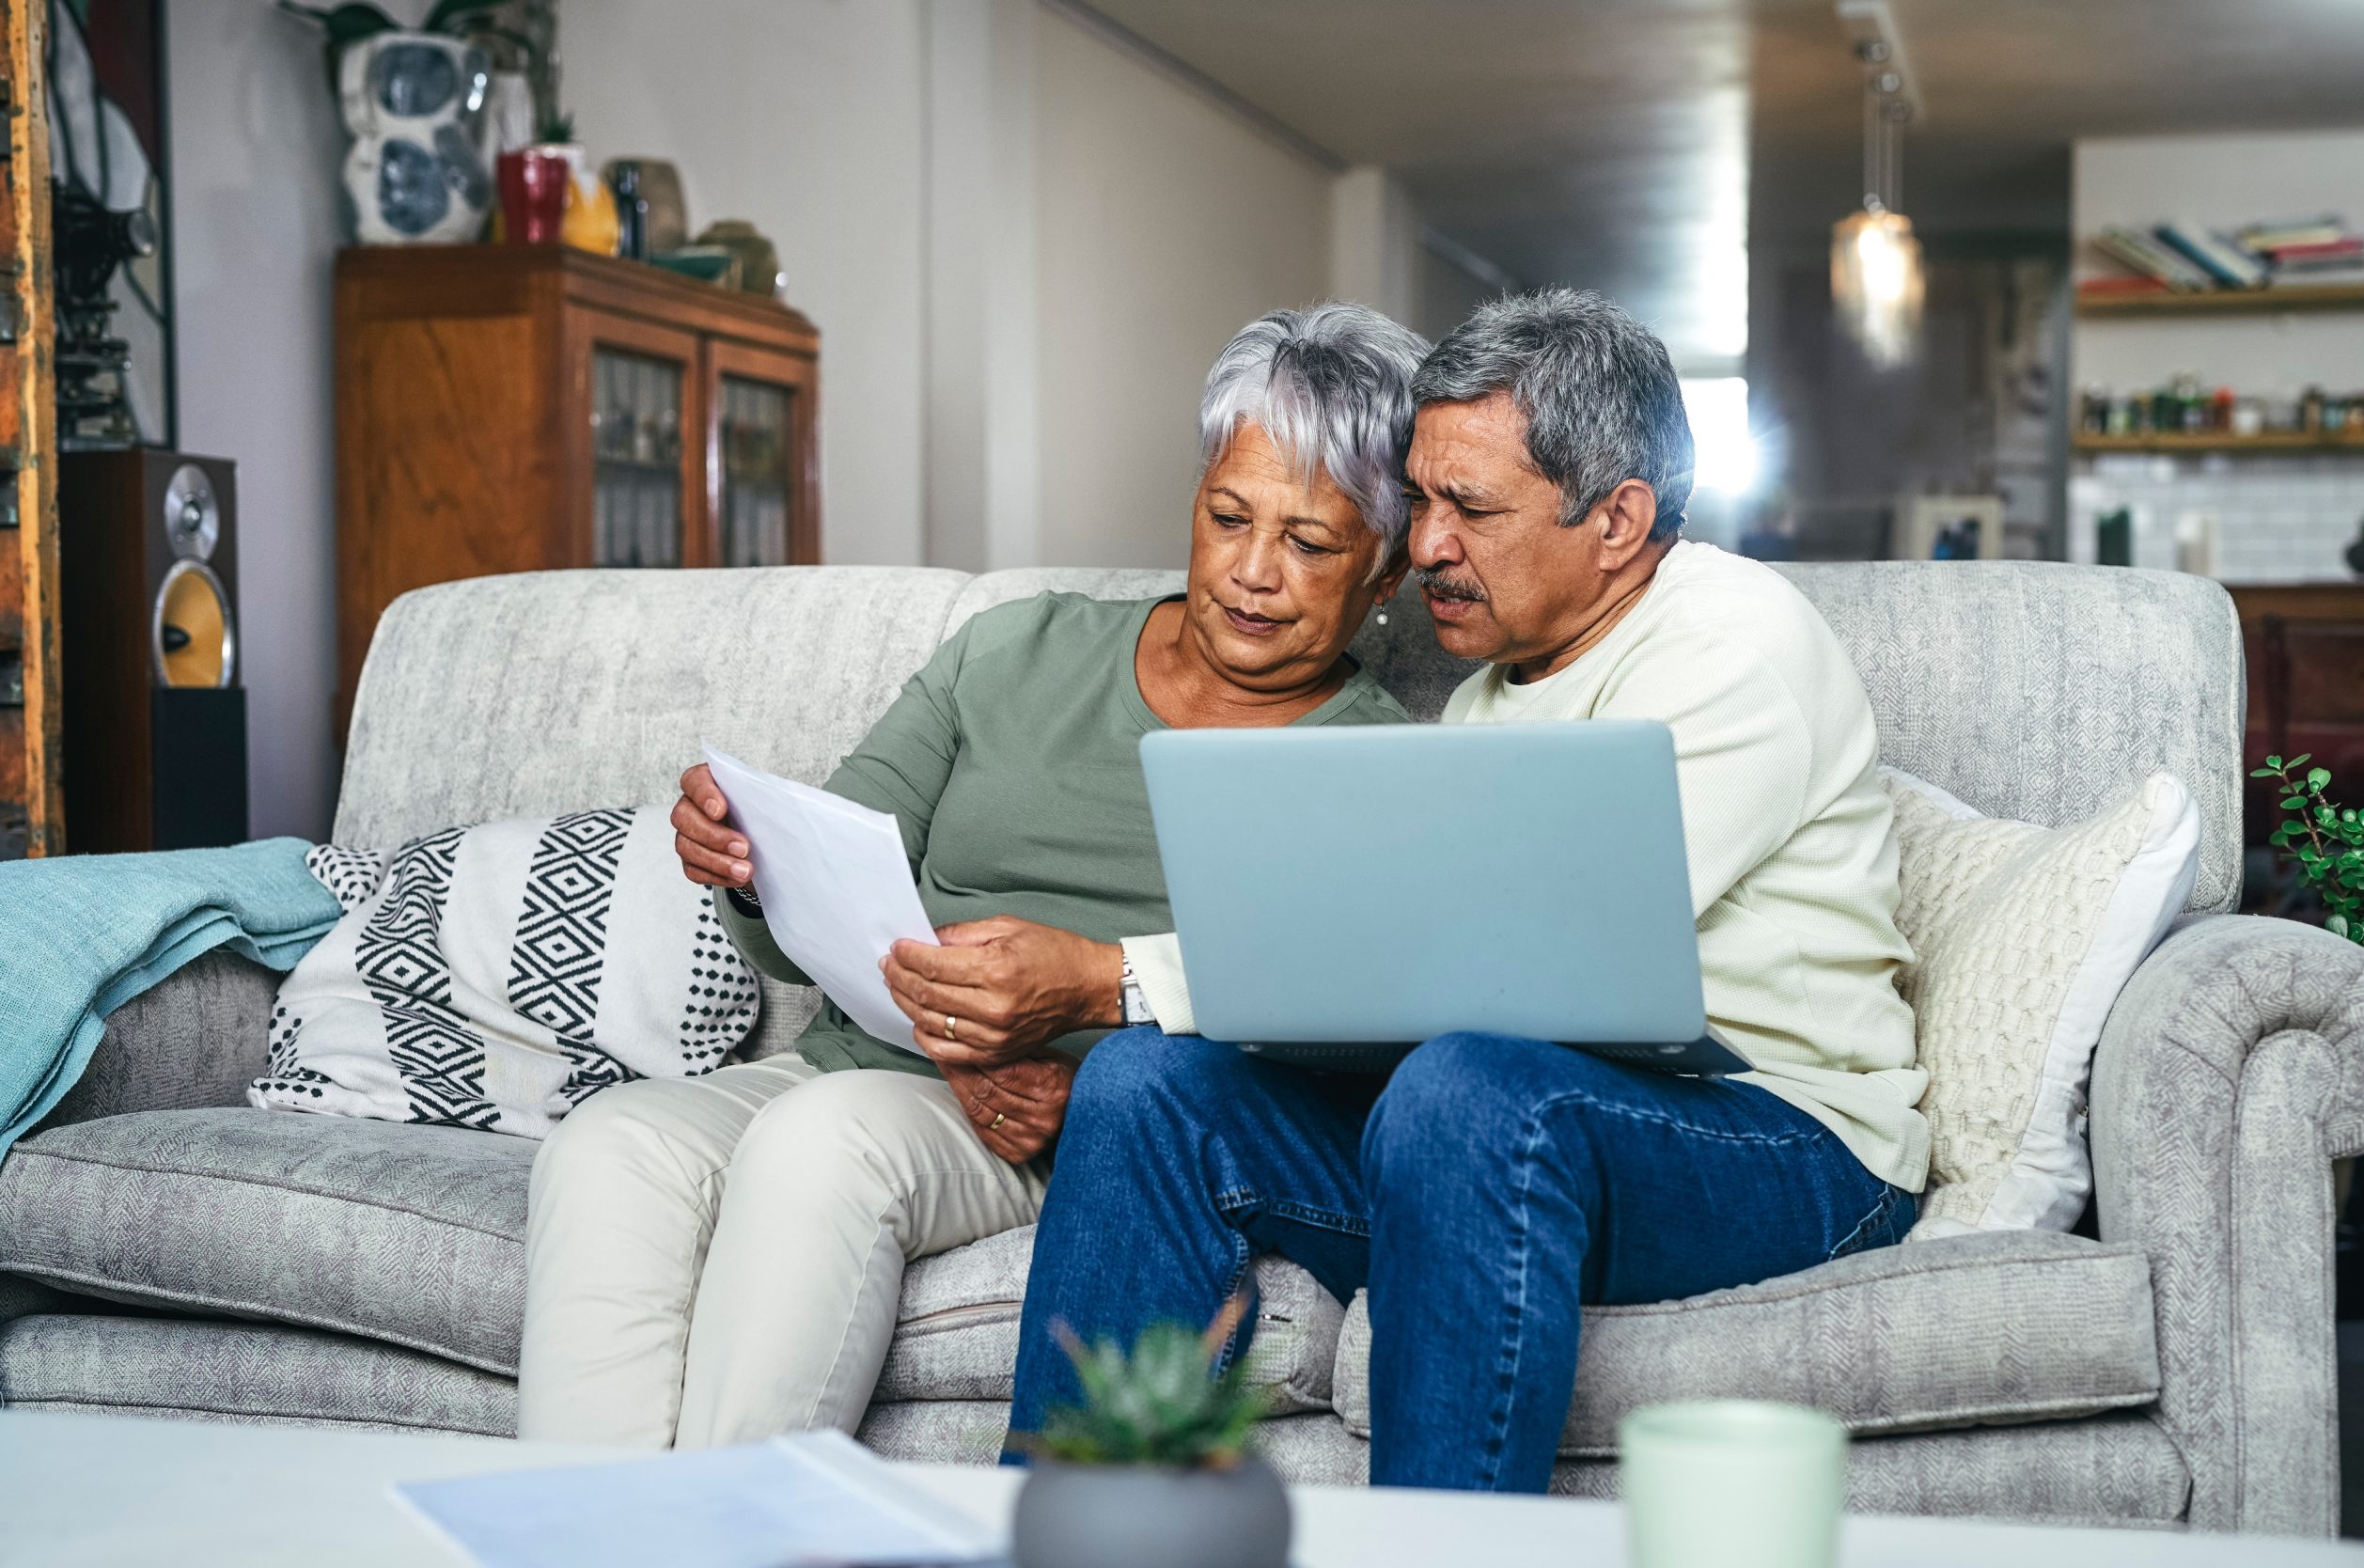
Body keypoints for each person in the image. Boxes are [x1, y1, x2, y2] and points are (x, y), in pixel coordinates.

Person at [1006, 288, 1926, 1494]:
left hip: (1785, 1142)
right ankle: (1068, 1540)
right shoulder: (1498, 684)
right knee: (1144, 1083)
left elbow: (1523, 936)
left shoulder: (1734, 644)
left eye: (1469, 508)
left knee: (1465, 1084)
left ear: (1617, 520)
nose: (1424, 544)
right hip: (1539, 1125)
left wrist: (1121, 972)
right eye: (1422, 497)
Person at [516, 303, 1426, 1448]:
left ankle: (736, 1559)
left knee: (825, 1144)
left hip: (1051, 1129)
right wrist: (748, 864)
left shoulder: (1373, 761)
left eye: (1308, 543)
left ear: (1383, 567)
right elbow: (829, 863)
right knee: (607, 1146)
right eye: (1228, 516)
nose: (1251, 572)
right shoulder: (1014, 648)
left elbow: (1318, 1029)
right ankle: (577, 1558)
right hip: (870, 1056)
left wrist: (1073, 1087)